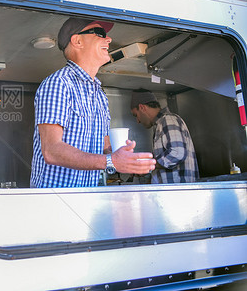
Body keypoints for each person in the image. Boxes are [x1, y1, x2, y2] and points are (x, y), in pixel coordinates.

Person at [31, 18, 156, 188]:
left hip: (87, 198)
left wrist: (123, 157)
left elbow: (103, 145)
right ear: (78, 41)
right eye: (100, 34)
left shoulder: (99, 94)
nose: (109, 39)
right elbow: (52, 151)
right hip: (56, 202)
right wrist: (110, 161)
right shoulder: (59, 83)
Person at [130, 89, 199, 183]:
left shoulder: (168, 119)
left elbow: (177, 154)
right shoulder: (159, 124)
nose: (138, 121)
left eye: (136, 115)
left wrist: (148, 165)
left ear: (142, 107)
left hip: (178, 193)